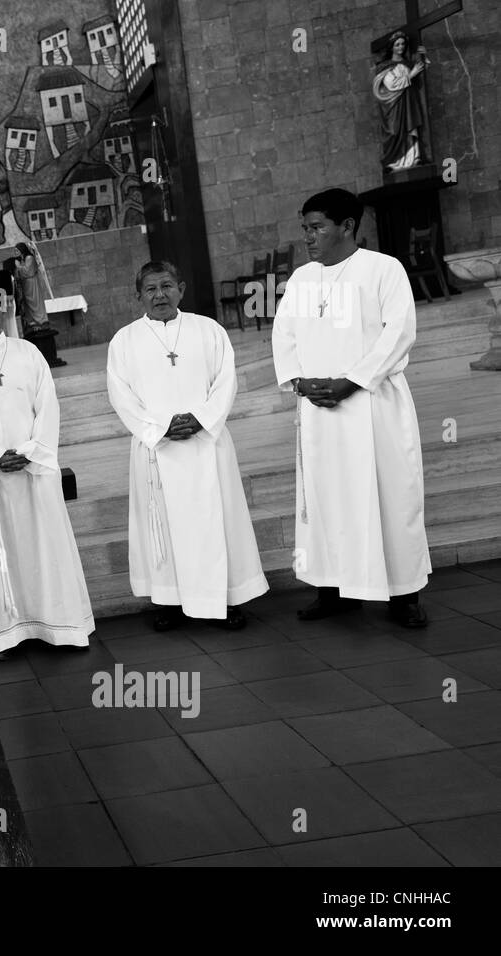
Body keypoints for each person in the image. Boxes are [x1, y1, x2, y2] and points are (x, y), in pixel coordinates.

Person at [272, 188, 430, 628]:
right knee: (327, 501)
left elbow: (399, 333)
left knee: (391, 498)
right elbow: (284, 336)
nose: (308, 237)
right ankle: (333, 589)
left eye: (317, 227)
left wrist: (351, 381)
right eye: (305, 228)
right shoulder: (302, 281)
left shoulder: (383, 270)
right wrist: (300, 380)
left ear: (347, 227)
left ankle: (404, 596)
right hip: (321, 413)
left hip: (373, 407)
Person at [107, 261, 269, 632]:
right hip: (157, 449)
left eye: (166, 286)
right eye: (150, 288)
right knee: (162, 526)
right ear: (138, 296)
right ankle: (171, 599)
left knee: (217, 522)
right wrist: (160, 428)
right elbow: (120, 395)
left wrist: (201, 419)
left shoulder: (208, 330)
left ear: (181, 288)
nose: (159, 294)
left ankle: (226, 600)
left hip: (206, 445)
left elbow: (226, 381)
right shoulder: (125, 341)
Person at [0, 284, 95, 659]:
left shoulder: (28, 353)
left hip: (32, 472)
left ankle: (58, 627)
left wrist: (30, 451)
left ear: (3, 309)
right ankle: (0, 636)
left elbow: (48, 407)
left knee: (44, 549)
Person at [372, 30, 430, 172]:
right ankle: (395, 160)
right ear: (391, 47)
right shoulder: (385, 66)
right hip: (394, 106)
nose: (400, 47)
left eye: (403, 44)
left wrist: (424, 57)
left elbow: (421, 75)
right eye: (397, 44)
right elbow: (391, 84)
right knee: (394, 132)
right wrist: (411, 75)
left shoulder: (408, 63)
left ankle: (413, 158)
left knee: (410, 129)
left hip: (409, 104)